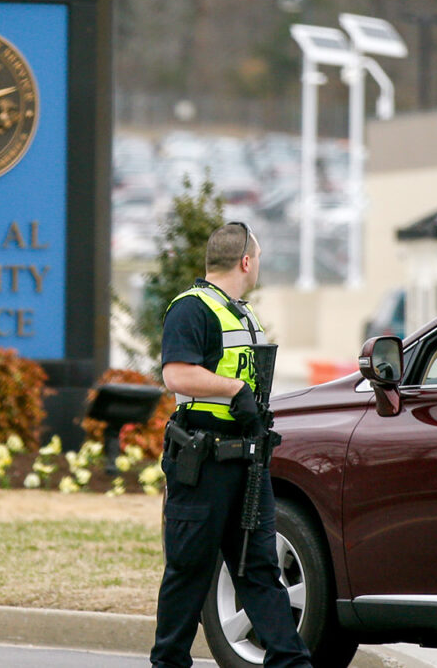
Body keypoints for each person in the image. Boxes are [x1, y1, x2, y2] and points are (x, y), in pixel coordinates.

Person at [150, 222, 311, 668]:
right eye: (257, 259)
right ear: (245, 262)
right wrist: (235, 391)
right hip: (203, 465)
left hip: (247, 464)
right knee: (189, 572)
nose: (257, 266)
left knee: (260, 570)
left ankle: (291, 664)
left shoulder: (242, 312)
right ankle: (169, 663)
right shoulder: (192, 308)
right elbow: (177, 374)